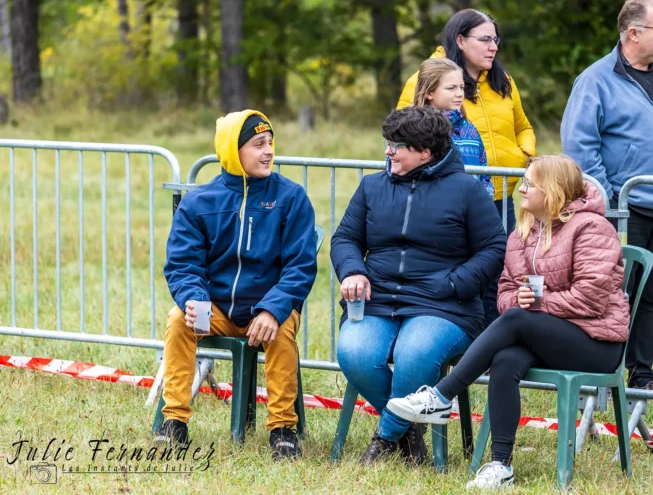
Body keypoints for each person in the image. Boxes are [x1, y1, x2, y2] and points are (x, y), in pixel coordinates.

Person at [387, 155, 629, 490]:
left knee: (517, 319)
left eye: (530, 184)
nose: (522, 189)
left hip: (596, 343)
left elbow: (592, 297)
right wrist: (521, 301)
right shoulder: (523, 232)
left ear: (553, 190)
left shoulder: (592, 228)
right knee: (505, 357)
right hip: (544, 336)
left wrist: (535, 305)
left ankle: (442, 396)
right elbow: (505, 293)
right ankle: (501, 465)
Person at [330, 106, 506, 466]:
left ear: (425, 152)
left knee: (416, 354)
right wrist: (352, 271)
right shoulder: (372, 186)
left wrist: (455, 283)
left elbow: (494, 249)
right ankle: (410, 431)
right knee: (354, 352)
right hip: (378, 301)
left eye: (396, 146)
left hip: (444, 306)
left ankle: (385, 437)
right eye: (387, 144)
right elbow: (345, 237)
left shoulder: (468, 191)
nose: (387, 152)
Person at [157, 110, 318, 460]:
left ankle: (282, 428)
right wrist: (194, 301)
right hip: (217, 309)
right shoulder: (199, 202)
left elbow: (300, 266)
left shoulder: (291, 198)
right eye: (258, 144)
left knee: (282, 328)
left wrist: (273, 309)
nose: (269, 151)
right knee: (177, 321)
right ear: (233, 150)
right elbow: (182, 264)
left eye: (271, 143)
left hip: (269, 310)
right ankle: (174, 422)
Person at [561, 0, 653, 391]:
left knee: (652, 294)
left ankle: (642, 376)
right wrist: (613, 199)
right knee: (614, 297)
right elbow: (580, 147)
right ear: (633, 33)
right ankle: (600, 380)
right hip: (627, 210)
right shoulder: (595, 80)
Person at [398, 8, 537, 327]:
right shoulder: (428, 77)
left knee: (502, 275)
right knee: (465, 275)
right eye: (485, 39)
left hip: (501, 198)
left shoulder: (504, 80)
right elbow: (402, 134)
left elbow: (524, 126)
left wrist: (524, 154)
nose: (494, 46)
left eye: (496, 39)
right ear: (460, 40)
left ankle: (491, 352)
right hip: (449, 204)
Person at [413, 57, 493, 198]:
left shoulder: (469, 129)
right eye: (451, 88)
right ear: (429, 92)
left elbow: (484, 175)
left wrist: (483, 203)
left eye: (461, 87)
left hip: (470, 212)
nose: (460, 94)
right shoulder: (412, 129)